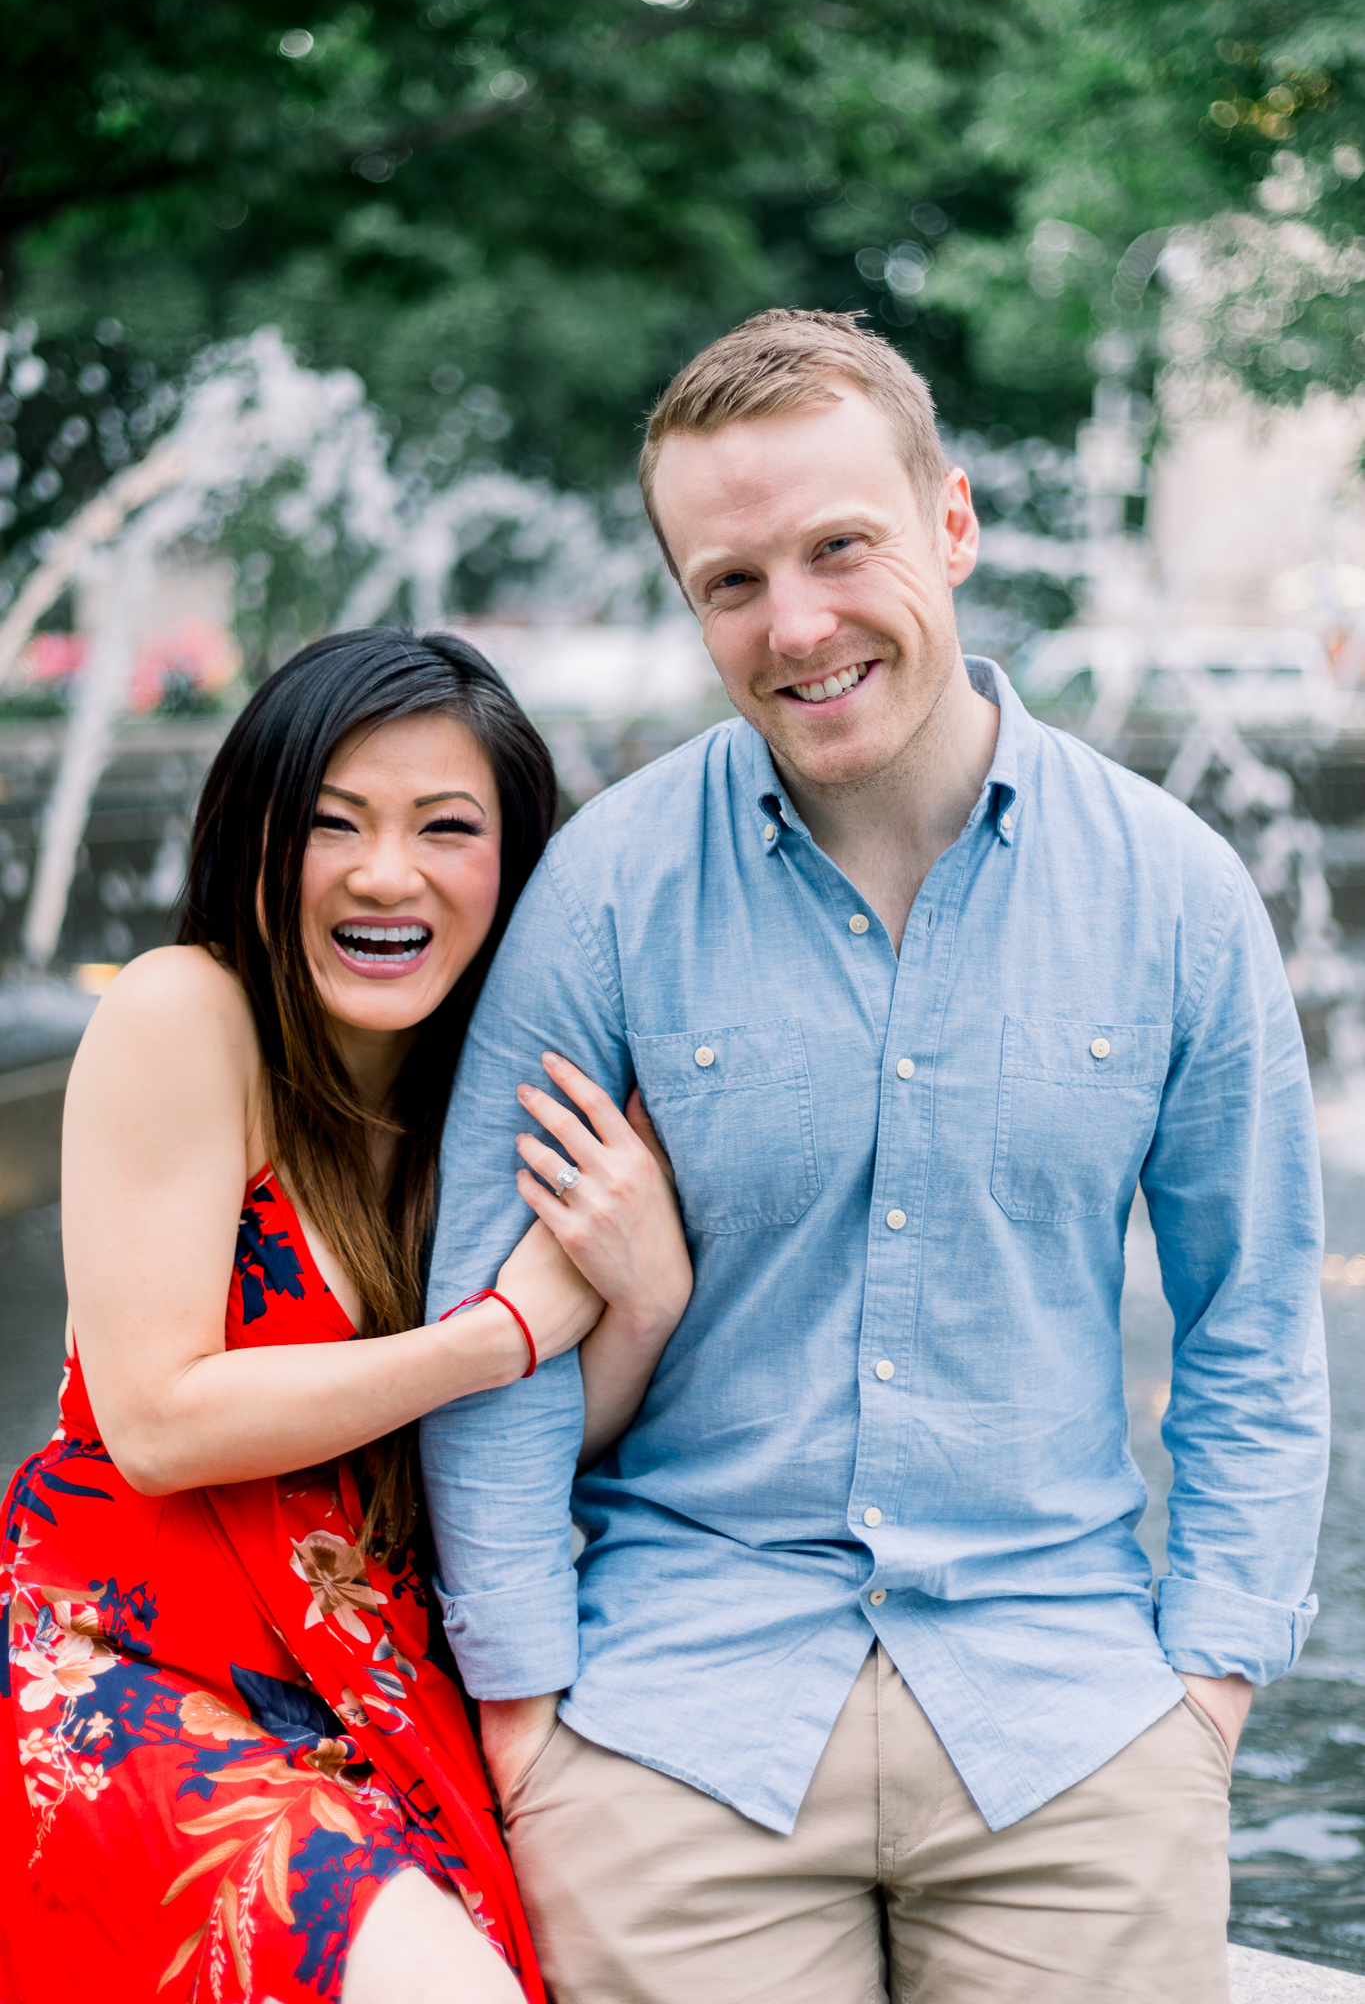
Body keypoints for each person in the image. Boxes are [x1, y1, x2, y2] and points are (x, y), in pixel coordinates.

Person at [420, 310, 1330, 2004]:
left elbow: (1252, 1323)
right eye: (731, 582)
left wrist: (1207, 1691)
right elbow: (489, 1331)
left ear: (954, 524)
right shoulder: (607, 894)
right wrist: (524, 1709)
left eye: (841, 549)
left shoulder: (1174, 893)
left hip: (1070, 1718)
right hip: (668, 1724)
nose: (798, 625)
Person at [0, 629, 692, 2004]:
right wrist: (495, 1331)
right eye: (331, 826)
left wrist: (644, 1293)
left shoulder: (508, 1088)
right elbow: (154, 1421)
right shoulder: (186, 1014)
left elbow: (549, 1435)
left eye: (447, 827)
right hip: (128, 1655)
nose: (387, 875)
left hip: (375, 1677)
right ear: (252, 840)